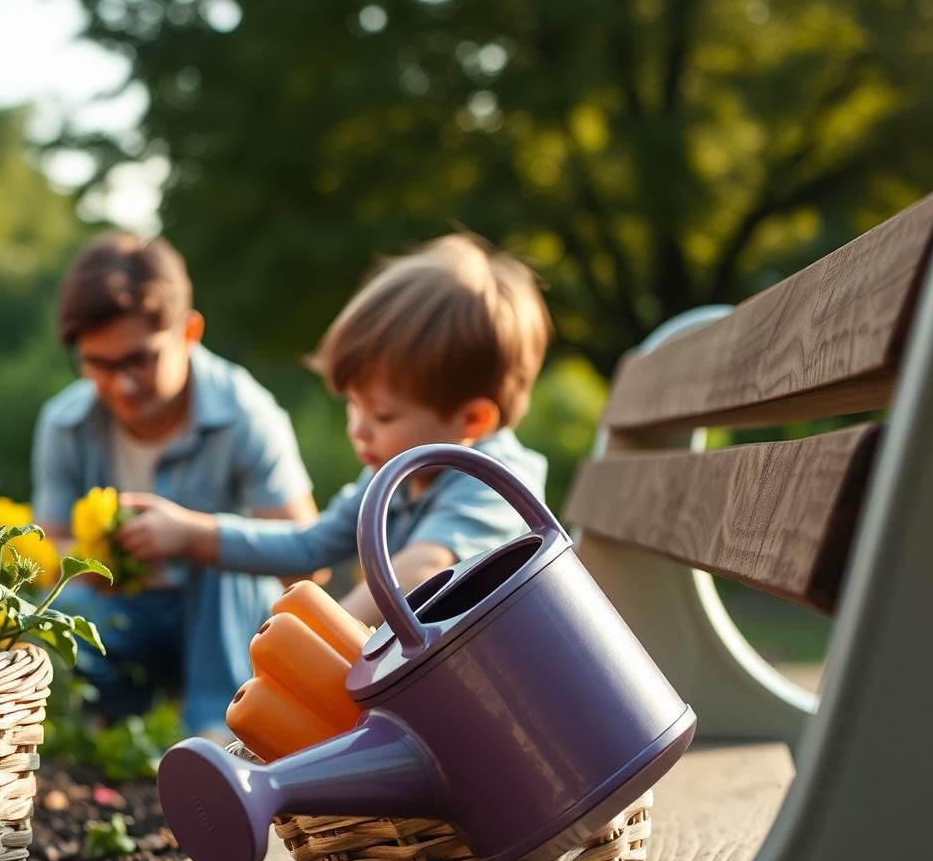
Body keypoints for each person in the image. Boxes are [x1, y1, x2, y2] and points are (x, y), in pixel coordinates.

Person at [114, 234, 551, 628]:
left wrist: (324, 638)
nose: (357, 429)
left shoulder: (494, 481)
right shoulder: (397, 477)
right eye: (353, 405)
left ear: (471, 421)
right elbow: (311, 545)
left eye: (381, 415)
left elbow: (423, 568)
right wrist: (193, 533)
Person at [31, 233, 318, 734]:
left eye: (139, 360)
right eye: (98, 364)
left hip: (226, 629)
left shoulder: (245, 413)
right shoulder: (66, 422)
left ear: (188, 332)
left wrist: (199, 537)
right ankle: (100, 729)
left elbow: (308, 567)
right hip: (124, 614)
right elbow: (46, 548)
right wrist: (92, 559)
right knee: (53, 607)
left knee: (226, 552)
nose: (121, 384)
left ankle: (219, 736)